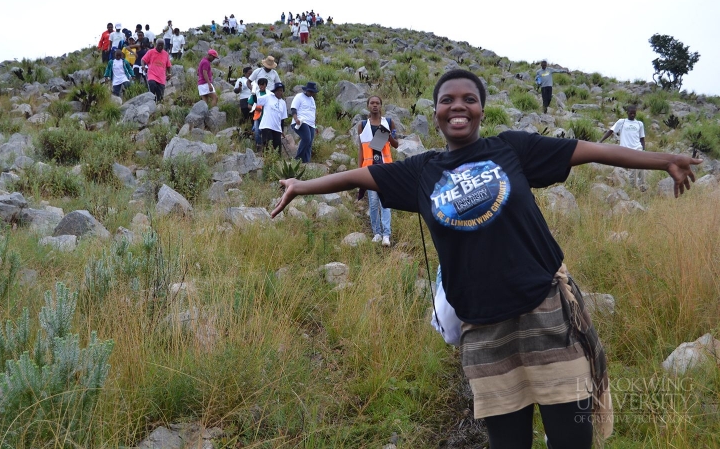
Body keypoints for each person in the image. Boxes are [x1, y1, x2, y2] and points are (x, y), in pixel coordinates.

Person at [271, 69, 701, 449]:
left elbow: (588, 150)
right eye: (447, 100)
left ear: (481, 109)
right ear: (436, 112)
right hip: (483, 333)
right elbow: (357, 176)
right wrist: (300, 185)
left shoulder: (511, 149)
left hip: (547, 317)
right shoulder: (421, 172)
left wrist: (664, 160)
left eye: (468, 99)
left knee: (572, 440)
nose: (458, 107)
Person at [357, 96, 399, 246]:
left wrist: (387, 135)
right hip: (369, 169)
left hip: (385, 168)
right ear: (368, 106)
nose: (375, 105)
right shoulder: (362, 125)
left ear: (381, 106)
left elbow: (396, 144)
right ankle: (377, 233)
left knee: (385, 202)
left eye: (377, 103)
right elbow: (361, 150)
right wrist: (358, 170)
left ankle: (386, 234)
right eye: (372, 103)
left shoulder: (388, 122)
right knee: (373, 203)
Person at [599, 105, 646, 189]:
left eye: (634, 113)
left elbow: (642, 138)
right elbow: (611, 131)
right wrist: (600, 141)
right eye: (631, 113)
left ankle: (641, 185)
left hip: (637, 147)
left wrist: (644, 150)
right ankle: (633, 187)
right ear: (627, 113)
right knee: (634, 167)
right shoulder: (622, 122)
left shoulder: (639, 124)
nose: (632, 115)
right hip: (625, 149)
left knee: (639, 165)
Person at [291, 82, 318, 163]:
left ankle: (306, 162)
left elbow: (312, 113)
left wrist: (315, 126)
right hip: (301, 121)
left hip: (311, 124)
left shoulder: (312, 100)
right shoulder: (299, 96)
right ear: (306, 90)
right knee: (306, 138)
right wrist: (296, 119)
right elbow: (293, 108)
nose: (311, 93)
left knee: (309, 143)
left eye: (312, 92)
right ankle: (297, 159)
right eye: (310, 91)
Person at [259, 82, 287, 154]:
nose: (280, 92)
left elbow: (282, 118)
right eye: (278, 90)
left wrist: (282, 130)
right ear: (274, 91)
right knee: (267, 146)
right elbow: (258, 100)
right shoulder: (268, 97)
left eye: (281, 90)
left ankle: (276, 164)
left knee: (277, 149)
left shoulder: (283, 103)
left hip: (277, 128)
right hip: (267, 126)